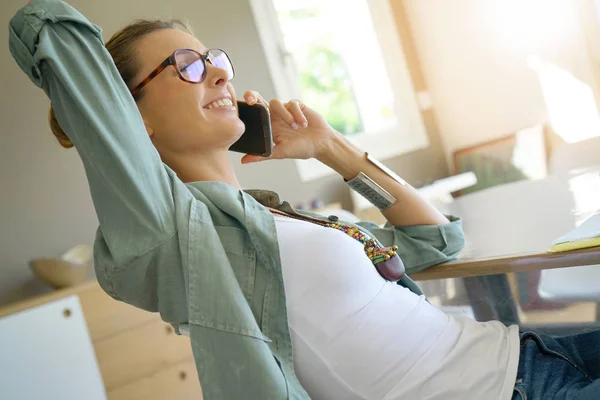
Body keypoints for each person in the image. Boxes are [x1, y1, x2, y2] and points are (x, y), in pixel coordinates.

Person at [9, 1, 600, 399]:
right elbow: (49, 28)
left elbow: (436, 240)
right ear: (130, 120)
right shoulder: (175, 234)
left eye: (216, 59)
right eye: (186, 66)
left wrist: (331, 148)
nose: (218, 74)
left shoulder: (275, 214)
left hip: (524, 353)